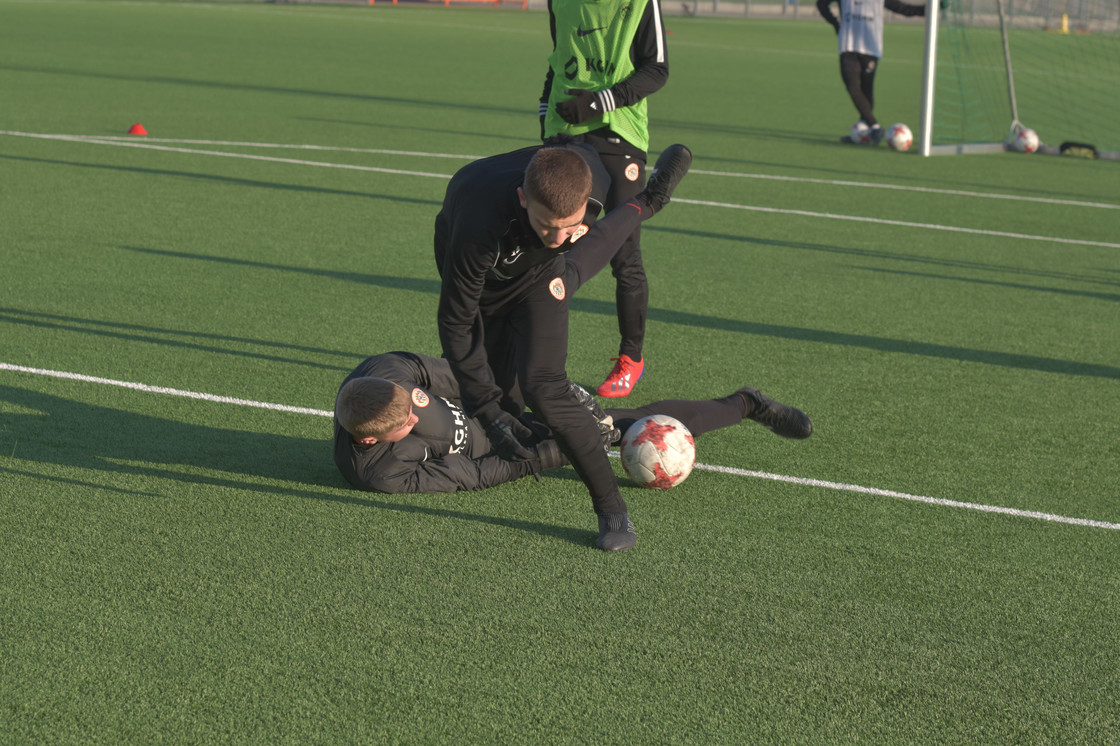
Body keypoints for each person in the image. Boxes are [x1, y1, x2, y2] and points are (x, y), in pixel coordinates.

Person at [434, 140, 690, 551]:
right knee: (504, 402)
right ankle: (526, 428)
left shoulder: (587, 188)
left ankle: (612, 511)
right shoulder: (478, 222)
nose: (556, 236)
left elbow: (600, 238)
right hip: (487, 284)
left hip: (540, 279)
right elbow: (456, 320)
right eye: (546, 224)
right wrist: (485, 406)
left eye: (567, 226)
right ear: (523, 198)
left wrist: (639, 202)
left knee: (544, 386)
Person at [334, 350, 813, 503]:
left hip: (498, 402)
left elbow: (464, 375)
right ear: (371, 438)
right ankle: (746, 404)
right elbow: (472, 475)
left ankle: (748, 405)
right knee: (624, 430)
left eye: (412, 407)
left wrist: (531, 394)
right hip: (505, 449)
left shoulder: (387, 372)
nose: (416, 414)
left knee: (627, 420)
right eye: (407, 423)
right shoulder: (379, 473)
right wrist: (548, 454)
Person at [539, 0, 670, 397]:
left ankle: (631, 358)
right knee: (548, 241)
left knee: (624, 251)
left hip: (620, 133)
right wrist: (545, 114)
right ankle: (532, 357)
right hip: (564, 131)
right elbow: (559, 58)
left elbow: (657, 69)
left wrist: (599, 102)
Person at [816, 0, 927, 144]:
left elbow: (903, 9)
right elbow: (821, 4)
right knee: (852, 86)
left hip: (870, 48)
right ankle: (875, 127)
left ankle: (864, 134)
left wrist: (930, 9)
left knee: (866, 90)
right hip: (847, 46)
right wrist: (835, 24)